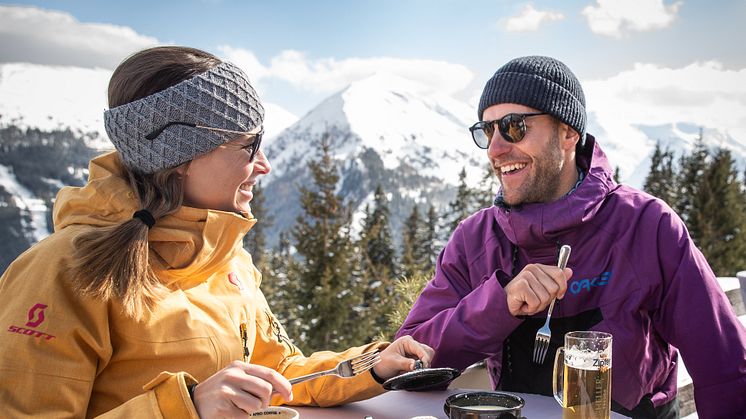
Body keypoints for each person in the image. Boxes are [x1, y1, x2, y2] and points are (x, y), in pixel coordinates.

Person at [0, 46, 433, 418]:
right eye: (249, 146)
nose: (263, 165)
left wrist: (371, 366)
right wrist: (187, 406)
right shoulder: (60, 271)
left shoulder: (224, 257)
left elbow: (276, 371)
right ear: (181, 156)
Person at [396, 56, 746, 418]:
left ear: (568, 133)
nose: (495, 149)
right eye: (488, 131)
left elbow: (725, 365)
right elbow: (408, 359)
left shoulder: (646, 226)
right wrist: (499, 304)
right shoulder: (475, 240)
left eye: (514, 127)